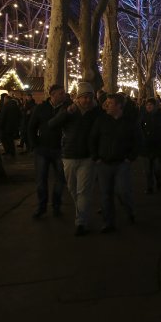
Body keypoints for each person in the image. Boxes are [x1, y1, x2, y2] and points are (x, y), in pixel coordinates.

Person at [49, 82, 101, 236]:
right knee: (73, 189)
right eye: (83, 97)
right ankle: (82, 212)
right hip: (69, 156)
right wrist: (65, 113)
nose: (86, 100)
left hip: (88, 157)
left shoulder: (96, 112)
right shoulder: (69, 111)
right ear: (77, 98)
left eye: (89, 97)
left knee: (83, 191)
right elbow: (52, 124)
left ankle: (81, 222)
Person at [89, 93, 140, 233]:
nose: (106, 106)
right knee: (106, 194)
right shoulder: (101, 120)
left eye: (110, 103)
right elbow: (93, 138)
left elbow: (137, 141)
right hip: (104, 163)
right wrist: (96, 157)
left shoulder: (128, 122)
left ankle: (130, 210)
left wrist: (130, 157)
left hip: (122, 163)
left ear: (119, 106)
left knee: (123, 191)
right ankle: (108, 222)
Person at [28, 84, 69, 219]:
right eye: (61, 93)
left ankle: (56, 205)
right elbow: (31, 127)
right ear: (52, 94)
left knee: (60, 179)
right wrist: (35, 145)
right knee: (41, 179)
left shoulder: (67, 109)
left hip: (59, 149)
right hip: (42, 149)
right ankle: (42, 206)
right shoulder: (41, 108)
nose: (63, 95)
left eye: (64, 93)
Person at [139, 98, 161, 193]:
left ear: (155, 106)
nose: (149, 106)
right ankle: (150, 187)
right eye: (147, 105)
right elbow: (139, 130)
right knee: (148, 170)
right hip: (146, 146)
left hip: (158, 146)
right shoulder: (143, 117)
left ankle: (158, 180)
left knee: (157, 168)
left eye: (151, 105)